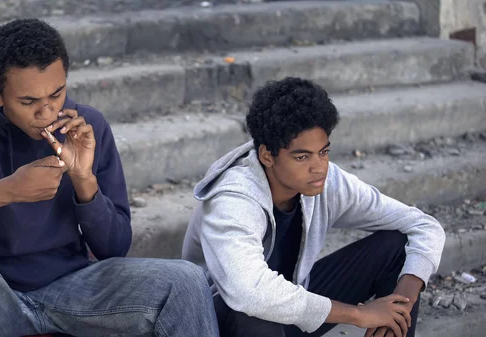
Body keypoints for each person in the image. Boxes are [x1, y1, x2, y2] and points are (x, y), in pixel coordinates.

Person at [0, 18, 219, 337]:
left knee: (186, 281)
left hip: (75, 291)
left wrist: (84, 179)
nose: (46, 112)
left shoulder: (87, 128)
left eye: (56, 94)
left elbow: (114, 247)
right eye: (29, 101)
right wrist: (6, 191)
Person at [182, 77, 446, 337]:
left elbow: (423, 225)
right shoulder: (233, 198)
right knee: (254, 315)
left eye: (324, 152)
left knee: (395, 247)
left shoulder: (325, 181)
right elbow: (249, 291)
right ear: (267, 156)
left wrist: (401, 304)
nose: (319, 166)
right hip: (222, 323)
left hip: (291, 312)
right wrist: (358, 313)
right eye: (302, 156)